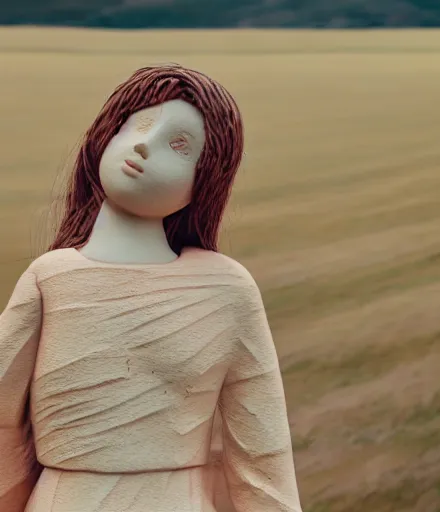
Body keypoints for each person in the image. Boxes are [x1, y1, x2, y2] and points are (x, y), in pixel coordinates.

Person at [0, 64, 303, 512]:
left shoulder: (225, 288)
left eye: (179, 146)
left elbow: (262, 453)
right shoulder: (51, 279)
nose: (144, 144)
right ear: (107, 133)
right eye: (138, 124)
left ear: (205, 181)